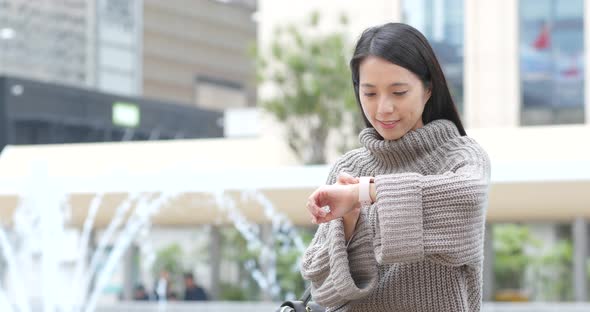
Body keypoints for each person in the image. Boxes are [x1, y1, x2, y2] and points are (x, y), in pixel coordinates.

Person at [302, 23, 491, 312]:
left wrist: (361, 195)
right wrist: (350, 223)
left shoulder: (460, 157)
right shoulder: (349, 166)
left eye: (399, 92)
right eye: (370, 94)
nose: (383, 108)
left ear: (428, 89)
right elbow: (324, 290)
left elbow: (466, 199)